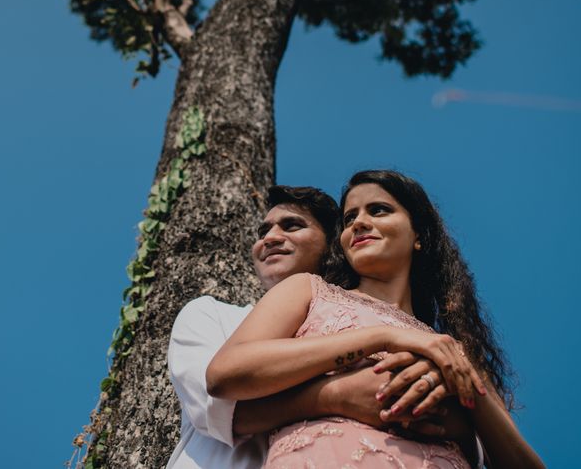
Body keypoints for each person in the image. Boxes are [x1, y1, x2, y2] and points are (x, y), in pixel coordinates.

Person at [207, 170, 545, 469]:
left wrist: (467, 390)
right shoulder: (308, 291)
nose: (359, 223)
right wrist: (382, 337)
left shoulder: (451, 349)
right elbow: (225, 374)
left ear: (419, 235)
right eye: (350, 217)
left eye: (378, 210)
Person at [167, 185, 481, 469]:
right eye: (263, 231)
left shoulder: (394, 325)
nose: (270, 238)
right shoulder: (213, 315)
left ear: (333, 244)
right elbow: (219, 407)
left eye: (292, 226)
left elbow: (471, 439)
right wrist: (336, 395)